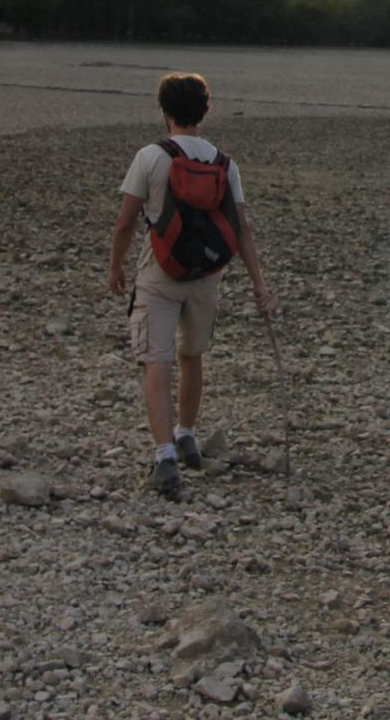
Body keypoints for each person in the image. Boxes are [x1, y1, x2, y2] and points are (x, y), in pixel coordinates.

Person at [108, 73, 273, 498]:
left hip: (159, 269)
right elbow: (242, 227)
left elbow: (126, 221)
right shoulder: (224, 163)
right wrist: (259, 284)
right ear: (205, 111)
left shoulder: (150, 156)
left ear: (164, 112)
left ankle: (164, 457)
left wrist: (115, 265)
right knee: (191, 355)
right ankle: (187, 435)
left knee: (156, 359)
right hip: (206, 274)